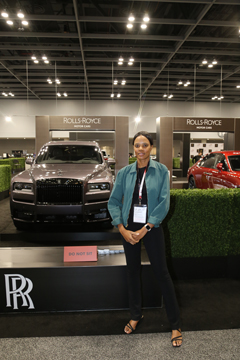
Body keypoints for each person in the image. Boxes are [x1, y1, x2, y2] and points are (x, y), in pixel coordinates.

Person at [108, 131, 182, 347]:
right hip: (129, 229)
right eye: (137, 145)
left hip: (151, 227)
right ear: (134, 148)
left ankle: (175, 323)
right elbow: (113, 202)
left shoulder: (161, 171)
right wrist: (121, 228)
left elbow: (164, 202)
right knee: (132, 271)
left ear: (151, 148)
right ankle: (135, 315)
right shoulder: (124, 173)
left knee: (162, 273)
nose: (141, 149)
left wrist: (147, 227)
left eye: (145, 145)